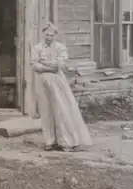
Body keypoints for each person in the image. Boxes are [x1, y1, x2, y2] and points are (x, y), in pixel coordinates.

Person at [31, 22, 92, 151]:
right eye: (47, 35)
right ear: (43, 35)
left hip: (57, 81)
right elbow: (34, 66)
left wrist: (44, 64)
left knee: (61, 109)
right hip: (42, 82)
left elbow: (59, 65)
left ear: (55, 35)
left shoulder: (60, 47)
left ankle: (66, 141)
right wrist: (49, 66)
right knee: (45, 111)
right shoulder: (36, 48)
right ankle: (50, 141)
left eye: (51, 35)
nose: (49, 37)